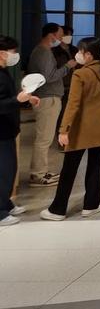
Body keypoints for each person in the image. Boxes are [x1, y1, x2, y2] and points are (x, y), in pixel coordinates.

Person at [40, 37, 100, 221]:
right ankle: (91, 205)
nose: (78, 54)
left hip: (80, 127)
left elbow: (73, 105)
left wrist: (63, 130)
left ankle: (58, 209)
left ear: (88, 55)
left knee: (69, 168)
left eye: (81, 51)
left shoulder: (80, 74)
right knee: (95, 165)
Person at [27, 23, 77, 187]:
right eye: (60, 35)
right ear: (51, 36)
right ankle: (38, 174)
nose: (62, 39)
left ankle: (41, 171)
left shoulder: (43, 51)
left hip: (48, 97)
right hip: (47, 98)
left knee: (46, 138)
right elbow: (49, 76)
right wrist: (67, 67)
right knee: (44, 138)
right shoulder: (44, 52)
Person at [0, 36, 40, 226]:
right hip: (1, 131)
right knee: (5, 171)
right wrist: (18, 100)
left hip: (8, 130)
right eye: (13, 52)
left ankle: (6, 203)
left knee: (10, 169)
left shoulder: (4, 71)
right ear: (2, 53)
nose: (15, 55)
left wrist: (26, 99)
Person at [52, 25, 78, 134]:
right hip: (62, 84)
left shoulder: (74, 50)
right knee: (62, 112)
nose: (69, 37)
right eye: (67, 34)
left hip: (75, 83)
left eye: (71, 35)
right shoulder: (54, 51)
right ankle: (61, 134)